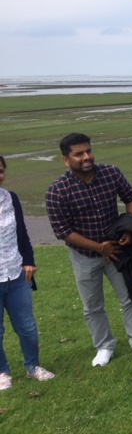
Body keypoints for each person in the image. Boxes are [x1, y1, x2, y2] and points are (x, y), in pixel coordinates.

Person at [45, 133, 132, 367]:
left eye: (88, 151)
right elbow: (63, 231)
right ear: (66, 160)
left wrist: (129, 230)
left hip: (117, 251)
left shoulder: (111, 173)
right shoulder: (57, 190)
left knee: (130, 297)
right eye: (78, 154)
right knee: (92, 306)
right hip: (85, 256)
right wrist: (99, 247)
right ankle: (104, 346)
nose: (86, 157)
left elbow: (131, 198)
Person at [0, 156, 55, 391]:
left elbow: (22, 234)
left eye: (0, 170)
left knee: (27, 327)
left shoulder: (10, 198)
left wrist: (29, 261)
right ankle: (2, 372)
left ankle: (33, 367)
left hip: (16, 273)